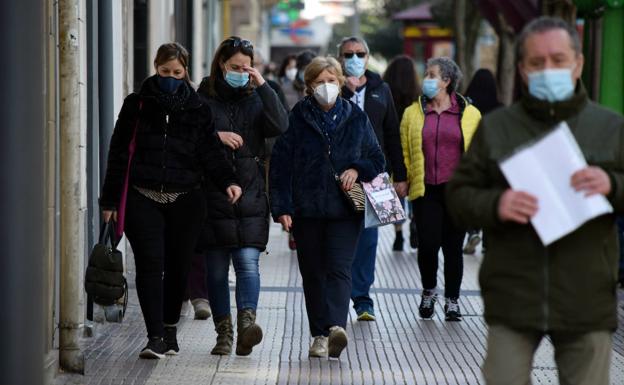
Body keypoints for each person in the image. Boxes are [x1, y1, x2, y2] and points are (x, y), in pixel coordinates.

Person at [446, 16, 624, 385]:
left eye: (558, 60)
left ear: (578, 63)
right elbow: (459, 197)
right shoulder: (497, 128)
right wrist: (496, 204)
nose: (548, 70)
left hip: (586, 298)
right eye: (537, 63)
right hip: (514, 295)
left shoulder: (611, 127)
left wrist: (612, 183)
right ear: (523, 70)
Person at [99, 43, 241, 359]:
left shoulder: (198, 108)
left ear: (185, 71)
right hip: (142, 198)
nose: (171, 78)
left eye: (177, 73)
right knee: (150, 266)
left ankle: (170, 326)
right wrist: (109, 201)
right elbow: (118, 154)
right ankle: (155, 337)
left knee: (177, 269)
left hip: (186, 201)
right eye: (165, 72)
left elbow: (210, 153)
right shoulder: (136, 105)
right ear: (155, 67)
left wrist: (228, 181)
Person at [270, 56, 385, 358]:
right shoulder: (296, 118)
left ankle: (335, 327)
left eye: (331, 80)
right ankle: (318, 334)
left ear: (341, 82)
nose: (326, 87)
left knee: (339, 268)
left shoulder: (356, 117)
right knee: (313, 273)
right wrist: (282, 207)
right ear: (309, 86)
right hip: (306, 210)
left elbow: (376, 158)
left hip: (345, 210)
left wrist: (356, 169)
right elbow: (280, 165)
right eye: (320, 81)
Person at [196, 36, 288, 356]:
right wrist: (215, 136)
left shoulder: (257, 97)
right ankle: (224, 333)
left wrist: (264, 86)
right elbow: (190, 136)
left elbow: (280, 125)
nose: (240, 72)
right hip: (214, 193)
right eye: (235, 67)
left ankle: (247, 326)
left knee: (248, 264)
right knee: (217, 271)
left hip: (251, 193)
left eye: (246, 68)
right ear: (222, 64)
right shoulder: (203, 96)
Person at [400, 56, 481, 321]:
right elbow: (403, 151)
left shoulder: (469, 113)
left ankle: (453, 300)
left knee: (453, 248)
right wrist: (401, 177)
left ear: (447, 81)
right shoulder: (413, 113)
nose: (427, 79)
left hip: (456, 191)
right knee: (428, 245)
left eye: (432, 75)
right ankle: (428, 291)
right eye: (426, 74)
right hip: (425, 190)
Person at [337, 36, 408, 322]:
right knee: (342, 238)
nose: (354, 58)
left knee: (368, 240)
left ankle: (363, 299)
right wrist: (344, 91)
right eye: (348, 54)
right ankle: (340, 296)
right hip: (340, 175)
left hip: (374, 176)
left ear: (367, 57)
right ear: (339, 57)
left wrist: (400, 175)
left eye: (360, 53)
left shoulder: (382, 90)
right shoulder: (334, 88)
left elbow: (391, 133)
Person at [462, 68, 503, 255]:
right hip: (494, 161)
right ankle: (488, 241)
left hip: (474, 160)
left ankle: (472, 233)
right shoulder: (500, 108)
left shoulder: (466, 105)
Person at [383, 55, 421, 252]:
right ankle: (415, 222)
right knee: (414, 189)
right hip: (413, 150)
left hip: (391, 151)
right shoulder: (418, 97)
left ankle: (398, 233)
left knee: (395, 193)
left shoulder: (384, 93)